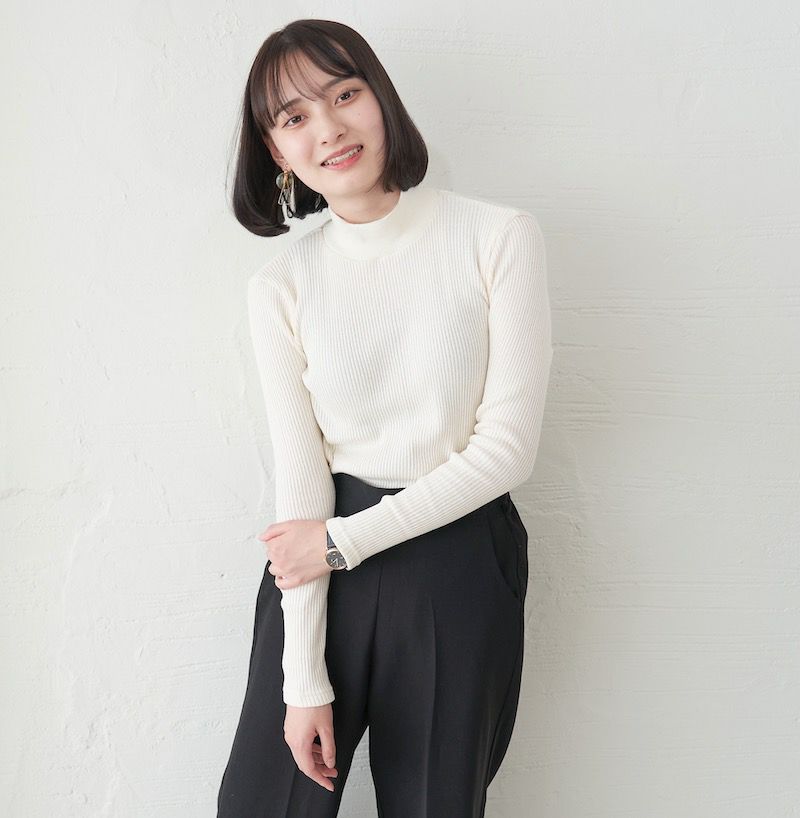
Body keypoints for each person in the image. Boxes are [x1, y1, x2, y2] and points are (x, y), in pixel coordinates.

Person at [217, 18, 554, 818]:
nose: (328, 129)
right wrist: (304, 678)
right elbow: (303, 485)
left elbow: (507, 450)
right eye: (294, 117)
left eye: (344, 95)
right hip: (321, 561)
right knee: (264, 804)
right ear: (275, 151)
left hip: (456, 553)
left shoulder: (498, 237)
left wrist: (340, 544)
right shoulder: (281, 287)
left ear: (381, 98)